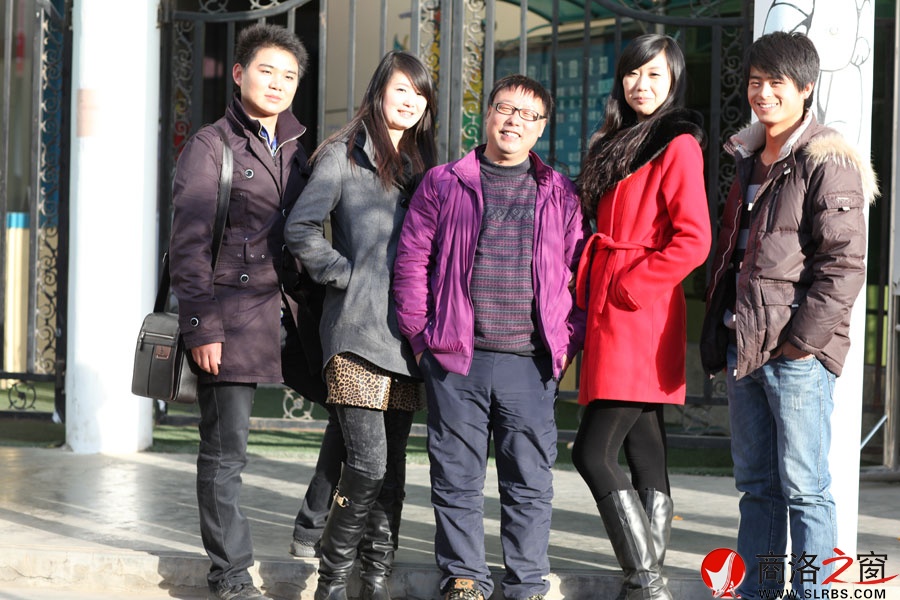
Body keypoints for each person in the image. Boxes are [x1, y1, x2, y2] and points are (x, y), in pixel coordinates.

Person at [393, 74, 588, 600]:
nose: (513, 121)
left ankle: (526, 583)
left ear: (542, 128)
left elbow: (577, 274)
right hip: (457, 358)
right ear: (487, 115)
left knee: (529, 481)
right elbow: (412, 262)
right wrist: (421, 338)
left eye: (528, 115)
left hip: (531, 362)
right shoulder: (444, 182)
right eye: (505, 109)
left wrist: (566, 341)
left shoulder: (560, 192)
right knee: (456, 477)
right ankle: (465, 577)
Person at [700, 31, 876, 599]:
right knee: (757, 487)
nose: (763, 93)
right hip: (744, 345)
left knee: (805, 489)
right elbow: (735, 256)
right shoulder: (748, 157)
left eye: (776, 82)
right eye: (755, 82)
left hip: (793, 352)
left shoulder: (827, 159)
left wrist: (801, 343)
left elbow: (844, 265)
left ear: (805, 88)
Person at [284, 50, 437, 600]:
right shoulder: (342, 155)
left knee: (391, 472)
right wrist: (346, 275)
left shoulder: (423, 165)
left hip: (405, 338)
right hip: (353, 333)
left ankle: (374, 582)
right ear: (380, 91)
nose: (410, 101)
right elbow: (300, 228)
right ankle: (331, 583)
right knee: (368, 464)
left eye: (419, 93)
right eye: (402, 89)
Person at [169, 24, 310, 600]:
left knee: (357, 415)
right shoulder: (211, 145)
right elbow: (188, 244)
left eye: (289, 75)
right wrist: (201, 324)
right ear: (239, 73)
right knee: (227, 453)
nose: (277, 84)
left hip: (294, 313)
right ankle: (230, 574)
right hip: (231, 317)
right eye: (266, 71)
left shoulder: (302, 147)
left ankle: (313, 524)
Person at [572, 34, 711, 600]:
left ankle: (645, 580)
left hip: (639, 308)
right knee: (644, 445)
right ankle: (647, 583)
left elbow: (694, 240)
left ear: (673, 81)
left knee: (591, 451)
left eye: (655, 75)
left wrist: (632, 285)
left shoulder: (677, 143)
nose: (641, 85)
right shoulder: (617, 141)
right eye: (633, 73)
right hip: (614, 301)